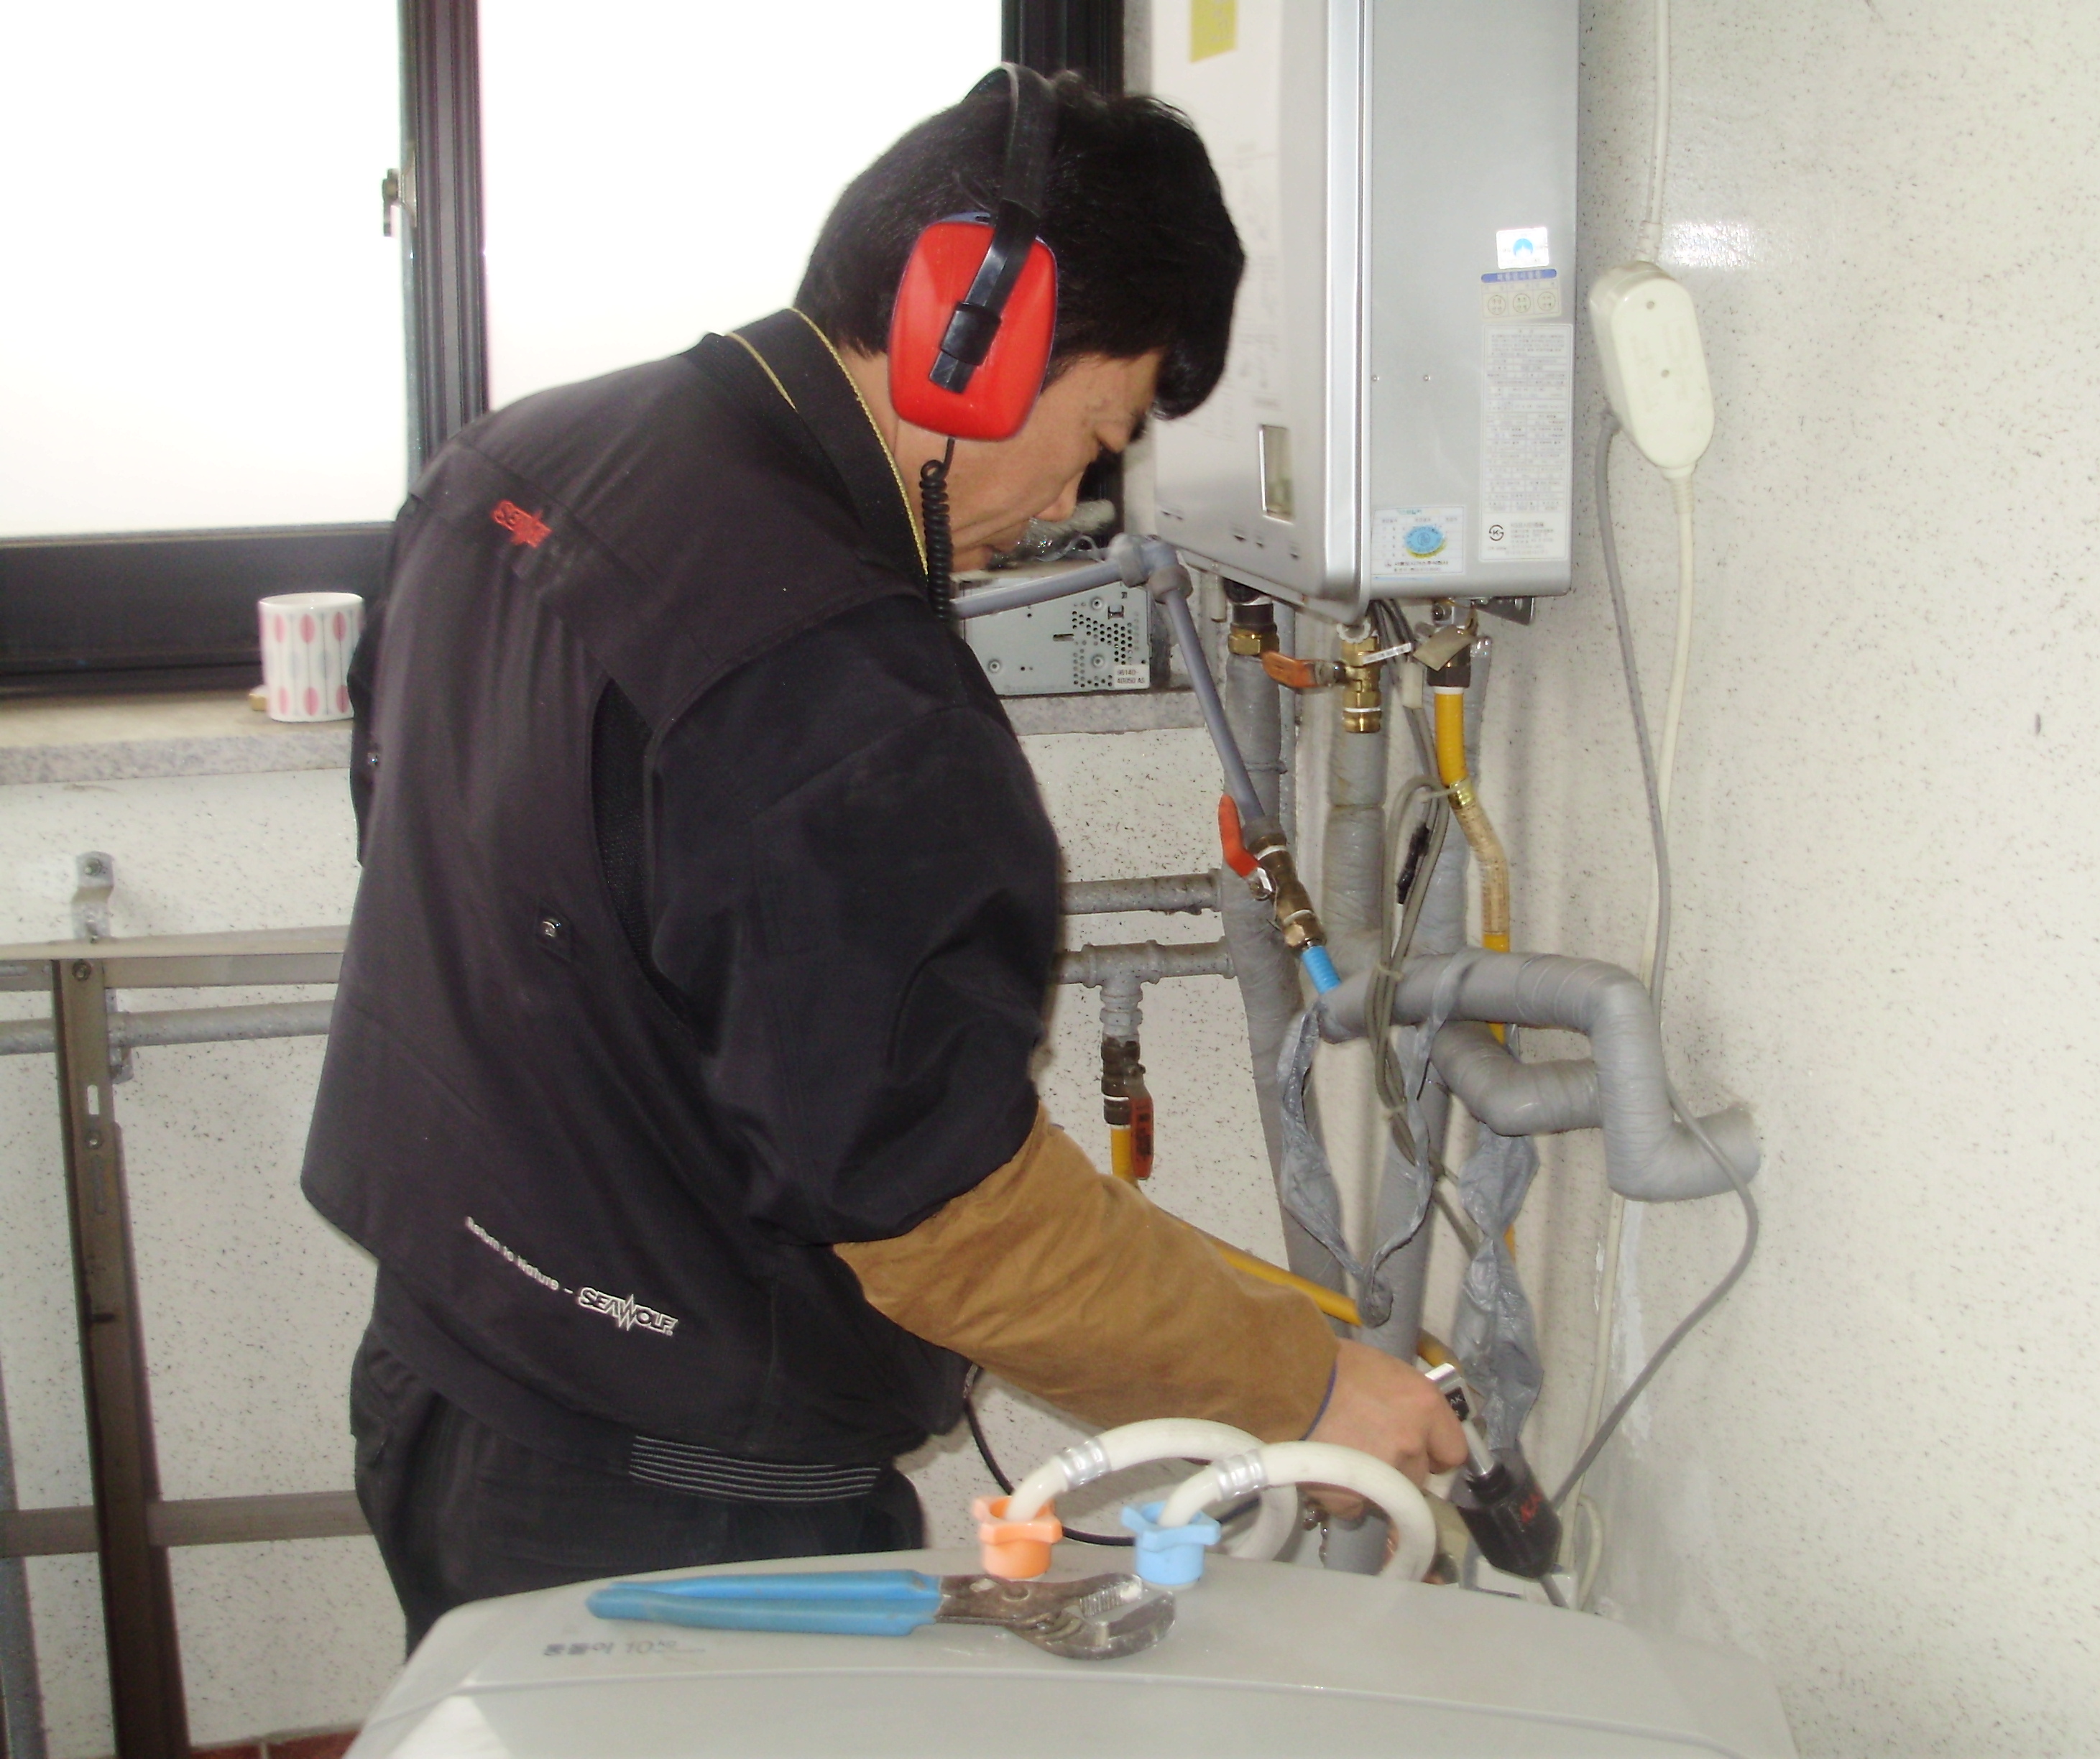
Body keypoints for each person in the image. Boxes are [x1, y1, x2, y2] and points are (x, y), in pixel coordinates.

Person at [302, 70, 1463, 1650]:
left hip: (438, 1381)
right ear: (970, 341)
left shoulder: (522, 459)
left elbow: (427, 844)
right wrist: (1313, 1391)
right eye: (1100, 432)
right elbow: (948, 1221)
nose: (1072, 502)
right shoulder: (843, 693)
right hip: (677, 1504)